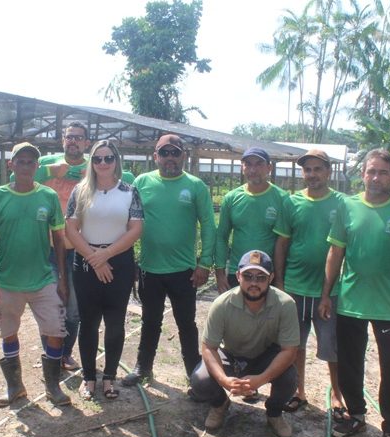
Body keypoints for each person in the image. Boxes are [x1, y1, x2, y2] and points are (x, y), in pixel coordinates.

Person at [318, 149, 390, 437]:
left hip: (388, 307)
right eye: (370, 171)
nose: (375, 177)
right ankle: (356, 415)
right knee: (350, 363)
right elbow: (335, 252)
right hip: (350, 302)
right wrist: (327, 294)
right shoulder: (347, 207)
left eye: (382, 172)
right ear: (362, 174)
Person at [30, 121, 135, 370]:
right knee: (49, 303)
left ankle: (65, 354)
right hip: (49, 247)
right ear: (62, 140)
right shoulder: (48, 164)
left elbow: (128, 178)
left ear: (87, 143)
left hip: (79, 248)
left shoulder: (98, 163)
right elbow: (16, 174)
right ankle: (50, 354)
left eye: (79, 137)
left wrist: (89, 173)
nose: (73, 141)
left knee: (74, 308)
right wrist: (51, 172)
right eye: (69, 137)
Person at [122, 134, 217, 386]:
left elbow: (208, 225)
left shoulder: (196, 186)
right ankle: (144, 367)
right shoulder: (142, 182)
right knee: (150, 320)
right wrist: (129, 260)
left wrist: (204, 263)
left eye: (175, 153)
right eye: (164, 153)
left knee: (186, 322)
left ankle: (192, 369)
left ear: (183, 156)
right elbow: (128, 223)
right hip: (150, 268)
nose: (170, 158)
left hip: (184, 270)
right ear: (156, 156)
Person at [0, 142, 71, 408]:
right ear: (11, 165)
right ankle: (15, 386)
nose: (25, 166)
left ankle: (53, 386)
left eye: (30, 162)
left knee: (55, 330)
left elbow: (58, 238)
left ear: (37, 166)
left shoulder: (48, 197)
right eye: (20, 161)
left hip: (43, 278)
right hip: (7, 280)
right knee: (9, 332)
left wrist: (62, 278)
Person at [189, 250, 299, 437]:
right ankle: (219, 404)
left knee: (289, 377)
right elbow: (209, 348)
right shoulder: (221, 304)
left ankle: (274, 413)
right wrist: (224, 380)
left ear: (271, 278)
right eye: (248, 276)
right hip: (231, 355)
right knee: (200, 379)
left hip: (265, 356)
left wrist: (262, 378)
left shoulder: (286, 304)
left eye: (261, 277)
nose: (254, 283)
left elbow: (290, 351)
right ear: (238, 276)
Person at [65, 140, 143, 400]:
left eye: (108, 158)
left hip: (118, 261)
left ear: (116, 161)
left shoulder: (130, 192)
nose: (103, 163)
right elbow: (71, 229)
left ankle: (109, 377)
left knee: (115, 321)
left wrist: (106, 255)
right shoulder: (80, 191)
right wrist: (93, 257)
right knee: (88, 322)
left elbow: (135, 229)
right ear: (92, 162)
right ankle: (88, 377)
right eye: (97, 159)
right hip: (86, 262)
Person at [272, 148, 347, 419]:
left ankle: (337, 393)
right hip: (294, 286)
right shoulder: (291, 203)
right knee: (295, 345)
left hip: (329, 290)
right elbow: (282, 244)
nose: (312, 174)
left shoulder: (342, 204)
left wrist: (329, 289)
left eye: (318, 169)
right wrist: (280, 283)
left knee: (331, 346)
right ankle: (298, 391)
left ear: (328, 172)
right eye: (308, 169)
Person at [215, 147, 284, 293]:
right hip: (238, 271)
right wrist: (220, 274)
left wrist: (279, 279)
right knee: (236, 314)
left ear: (269, 168)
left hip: (267, 273)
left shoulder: (281, 199)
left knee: (268, 315)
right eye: (248, 164)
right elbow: (222, 237)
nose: (253, 169)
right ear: (242, 168)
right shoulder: (232, 198)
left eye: (259, 164)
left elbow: (284, 242)